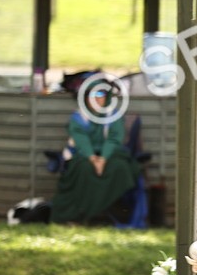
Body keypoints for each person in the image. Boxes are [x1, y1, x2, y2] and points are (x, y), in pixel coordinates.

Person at [51, 83, 141, 225]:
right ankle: (80, 216)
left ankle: (112, 214)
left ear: (107, 97)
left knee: (120, 168)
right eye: (92, 95)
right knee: (84, 170)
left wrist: (103, 159)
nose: (96, 99)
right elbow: (81, 139)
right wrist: (93, 159)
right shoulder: (78, 117)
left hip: (110, 154)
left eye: (100, 94)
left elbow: (114, 138)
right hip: (84, 155)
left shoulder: (113, 115)